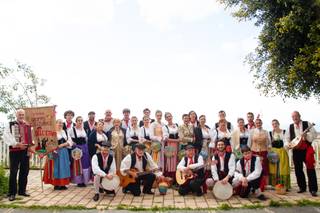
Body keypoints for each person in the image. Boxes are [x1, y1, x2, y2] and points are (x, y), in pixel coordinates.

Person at [285, 111, 318, 196]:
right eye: (293, 117)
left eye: (296, 116)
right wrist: (288, 144)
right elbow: (286, 139)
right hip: (296, 150)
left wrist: (306, 136)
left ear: (299, 116)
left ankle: (313, 189)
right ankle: (302, 187)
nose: (294, 118)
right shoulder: (290, 127)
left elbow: (314, 135)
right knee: (298, 169)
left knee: (310, 169)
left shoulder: (307, 124)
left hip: (307, 150)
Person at [3, 109, 32, 201]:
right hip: (15, 151)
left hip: (25, 151)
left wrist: (30, 149)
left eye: (22, 114)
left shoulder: (28, 125)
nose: (21, 116)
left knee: (25, 171)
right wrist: (17, 143)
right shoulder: (11, 124)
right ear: (16, 115)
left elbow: (31, 138)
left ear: (24, 115)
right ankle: (12, 192)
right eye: (19, 114)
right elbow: (6, 135)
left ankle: (22, 190)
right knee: (13, 171)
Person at [43, 119, 72, 190]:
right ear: (55, 124)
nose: (60, 124)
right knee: (55, 167)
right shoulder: (52, 132)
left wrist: (64, 144)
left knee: (63, 167)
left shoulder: (65, 131)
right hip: (55, 151)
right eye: (59, 123)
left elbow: (70, 141)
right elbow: (48, 142)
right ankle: (56, 184)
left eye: (61, 123)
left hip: (64, 151)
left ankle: (63, 184)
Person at [247, 118, 271, 191]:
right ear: (255, 124)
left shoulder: (266, 132)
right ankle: (254, 183)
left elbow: (269, 142)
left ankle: (265, 184)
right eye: (257, 123)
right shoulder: (252, 131)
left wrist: (268, 149)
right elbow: (249, 143)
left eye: (259, 123)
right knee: (254, 167)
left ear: (262, 123)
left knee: (264, 167)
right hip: (254, 151)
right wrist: (250, 151)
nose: (258, 124)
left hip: (263, 151)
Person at [268, 119, 290, 190]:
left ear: (278, 124)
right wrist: (269, 148)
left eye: (276, 123)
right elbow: (269, 143)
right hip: (273, 152)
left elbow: (286, 140)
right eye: (273, 124)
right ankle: (274, 185)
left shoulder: (284, 132)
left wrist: (286, 146)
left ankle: (284, 185)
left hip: (282, 151)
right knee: (274, 168)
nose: (274, 125)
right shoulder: (270, 133)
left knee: (282, 168)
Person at [69, 116, 91, 187]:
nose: (80, 122)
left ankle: (84, 180)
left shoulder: (84, 129)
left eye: (81, 120)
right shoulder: (72, 130)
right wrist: (74, 145)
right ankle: (79, 181)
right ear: (76, 121)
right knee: (78, 164)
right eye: (79, 120)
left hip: (84, 147)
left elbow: (86, 138)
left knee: (85, 164)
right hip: (77, 148)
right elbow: (69, 139)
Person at [163, 112, 179, 180]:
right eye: (167, 117)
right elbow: (166, 139)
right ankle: (170, 178)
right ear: (166, 119)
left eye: (170, 116)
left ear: (172, 116)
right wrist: (176, 140)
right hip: (169, 145)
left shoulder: (177, 125)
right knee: (170, 161)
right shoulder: (165, 127)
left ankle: (176, 179)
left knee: (176, 160)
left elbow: (180, 135)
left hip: (177, 145)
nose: (169, 118)